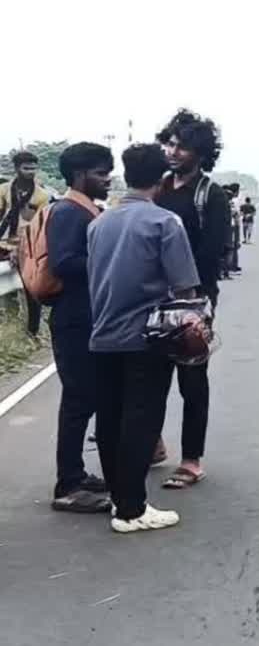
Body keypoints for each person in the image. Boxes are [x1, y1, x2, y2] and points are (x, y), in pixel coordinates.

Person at [88, 143, 200, 533]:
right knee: (142, 418)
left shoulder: (99, 222)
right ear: (163, 177)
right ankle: (132, 509)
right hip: (146, 336)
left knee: (110, 418)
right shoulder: (165, 223)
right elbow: (184, 285)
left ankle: (121, 501)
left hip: (102, 334)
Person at [154, 109, 230, 488]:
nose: (172, 151)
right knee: (148, 376)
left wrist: (190, 295)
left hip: (191, 301)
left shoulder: (210, 196)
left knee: (191, 380)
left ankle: (191, 460)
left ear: (200, 153)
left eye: (181, 147)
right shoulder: (156, 187)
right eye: (169, 143)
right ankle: (152, 444)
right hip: (149, 298)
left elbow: (213, 251)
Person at [46, 142, 113, 513]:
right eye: (102, 173)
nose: (108, 179)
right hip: (75, 319)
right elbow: (64, 263)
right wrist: (111, 257)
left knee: (86, 398)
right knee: (78, 401)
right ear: (80, 175)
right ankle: (68, 485)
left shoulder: (85, 210)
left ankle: (76, 473)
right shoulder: (71, 212)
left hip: (85, 317)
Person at [1, 150, 51, 337]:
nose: (31, 172)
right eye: (26, 168)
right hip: (4, 241)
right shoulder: (4, 190)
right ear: (16, 169)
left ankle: (33, 331)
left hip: (27, 245)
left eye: (33, 168)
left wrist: (20, 249)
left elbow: (37, 228)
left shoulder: (41, 195)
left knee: (31, 288)